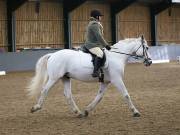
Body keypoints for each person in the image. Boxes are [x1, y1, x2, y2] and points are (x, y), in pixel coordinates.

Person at [81, 9, 111, 77]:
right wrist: (106, 45)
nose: (101, 17)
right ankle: (95, 71)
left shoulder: (94, 23)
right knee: (100, 54)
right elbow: (99, 36)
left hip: (95, 44)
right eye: (100, 16)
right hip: (92, 45)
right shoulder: (94, 24)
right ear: (96, 16)